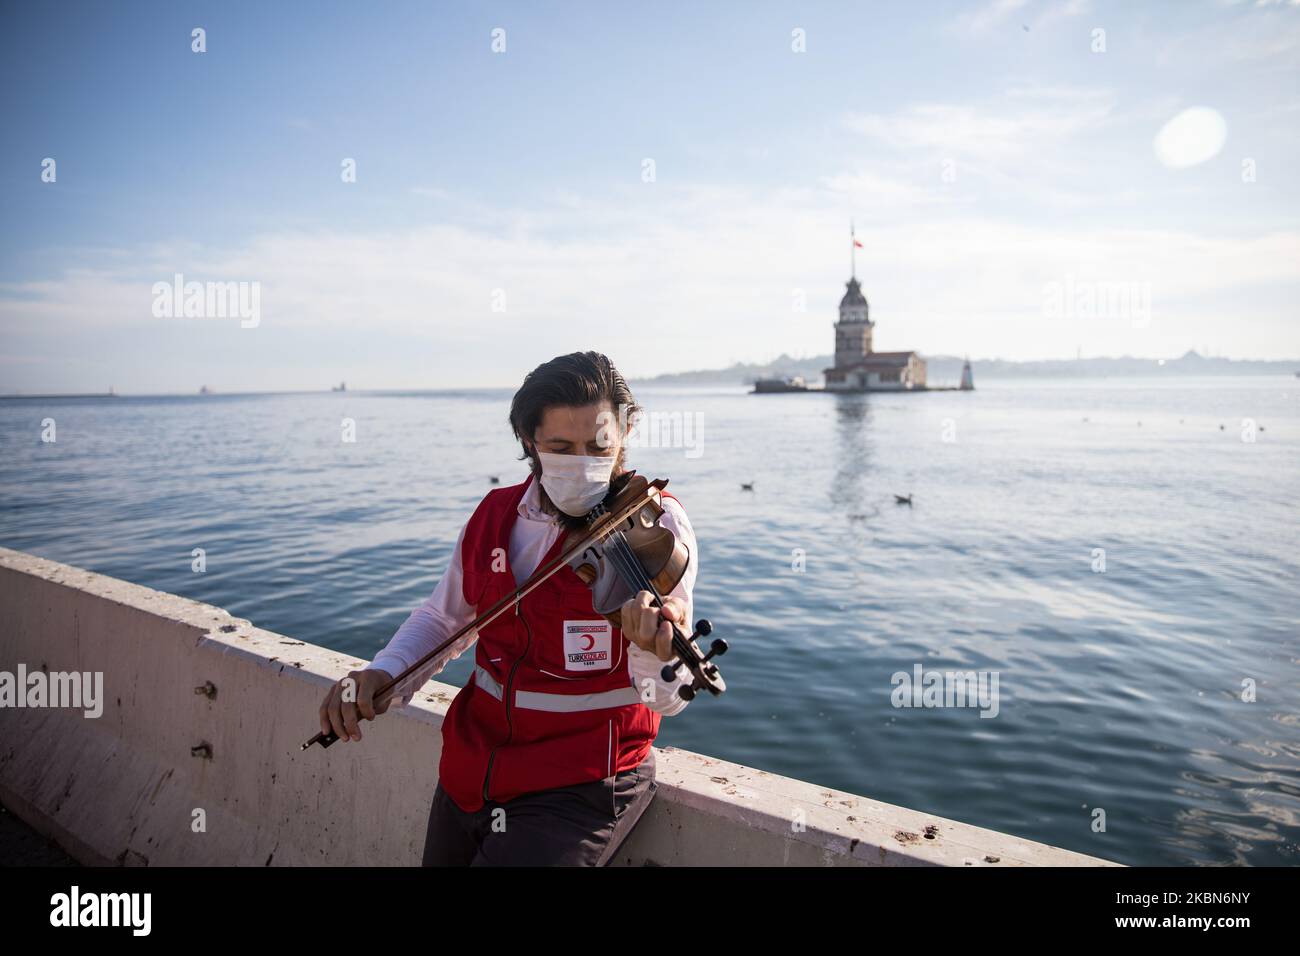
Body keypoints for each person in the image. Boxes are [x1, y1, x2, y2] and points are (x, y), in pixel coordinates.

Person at [317, 351, 699, 865]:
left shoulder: (656, 528)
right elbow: (444, 617)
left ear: (624, 435)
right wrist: (382, 675)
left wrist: (654, 652)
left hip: (580, 785)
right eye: (562, 448)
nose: (584, 463)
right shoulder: (495, 515)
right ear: (529, 442)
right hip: (471, 769)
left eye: (599, 445)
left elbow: (666, 698)